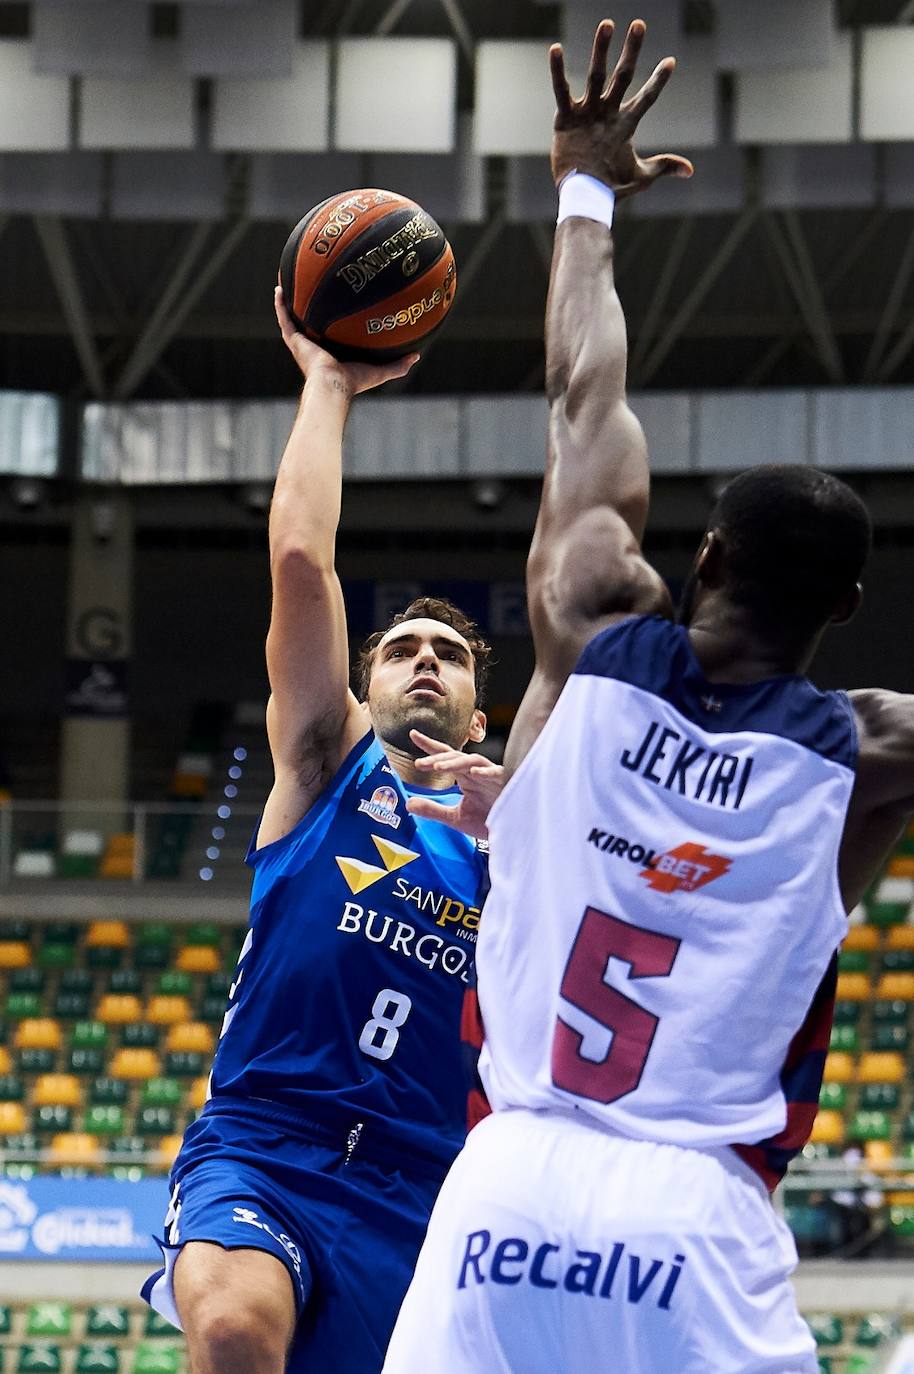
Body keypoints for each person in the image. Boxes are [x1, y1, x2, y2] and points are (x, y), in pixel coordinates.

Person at [383, 17, 914, 1374]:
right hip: (690, 1219)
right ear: (846, 608)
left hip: (505, 1182)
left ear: (704, 557)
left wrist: (584, 184)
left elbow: (581, 390)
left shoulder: (591, 614)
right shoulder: (871, 748)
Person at [142, 290, 503, 1374]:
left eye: (449, 651)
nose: (425, 658)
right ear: (361, 687)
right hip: (266, 1149)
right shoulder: (322, 765)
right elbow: (301, 563)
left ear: (481, 716)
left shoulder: (521, 844)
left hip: (427, 1193)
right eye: (401, 649)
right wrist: (329, 383)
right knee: (234, 1331)